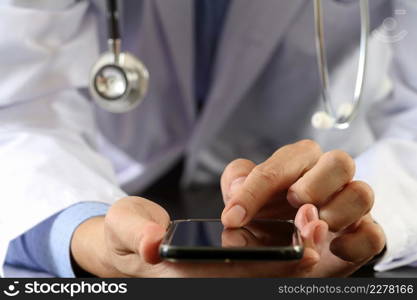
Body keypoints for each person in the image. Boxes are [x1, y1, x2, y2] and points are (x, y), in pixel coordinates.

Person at [1, 0, 415, 277]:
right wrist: (90, 234)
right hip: (96, 172)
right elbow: (19, 102)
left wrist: (357, 212)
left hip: (311, 187)